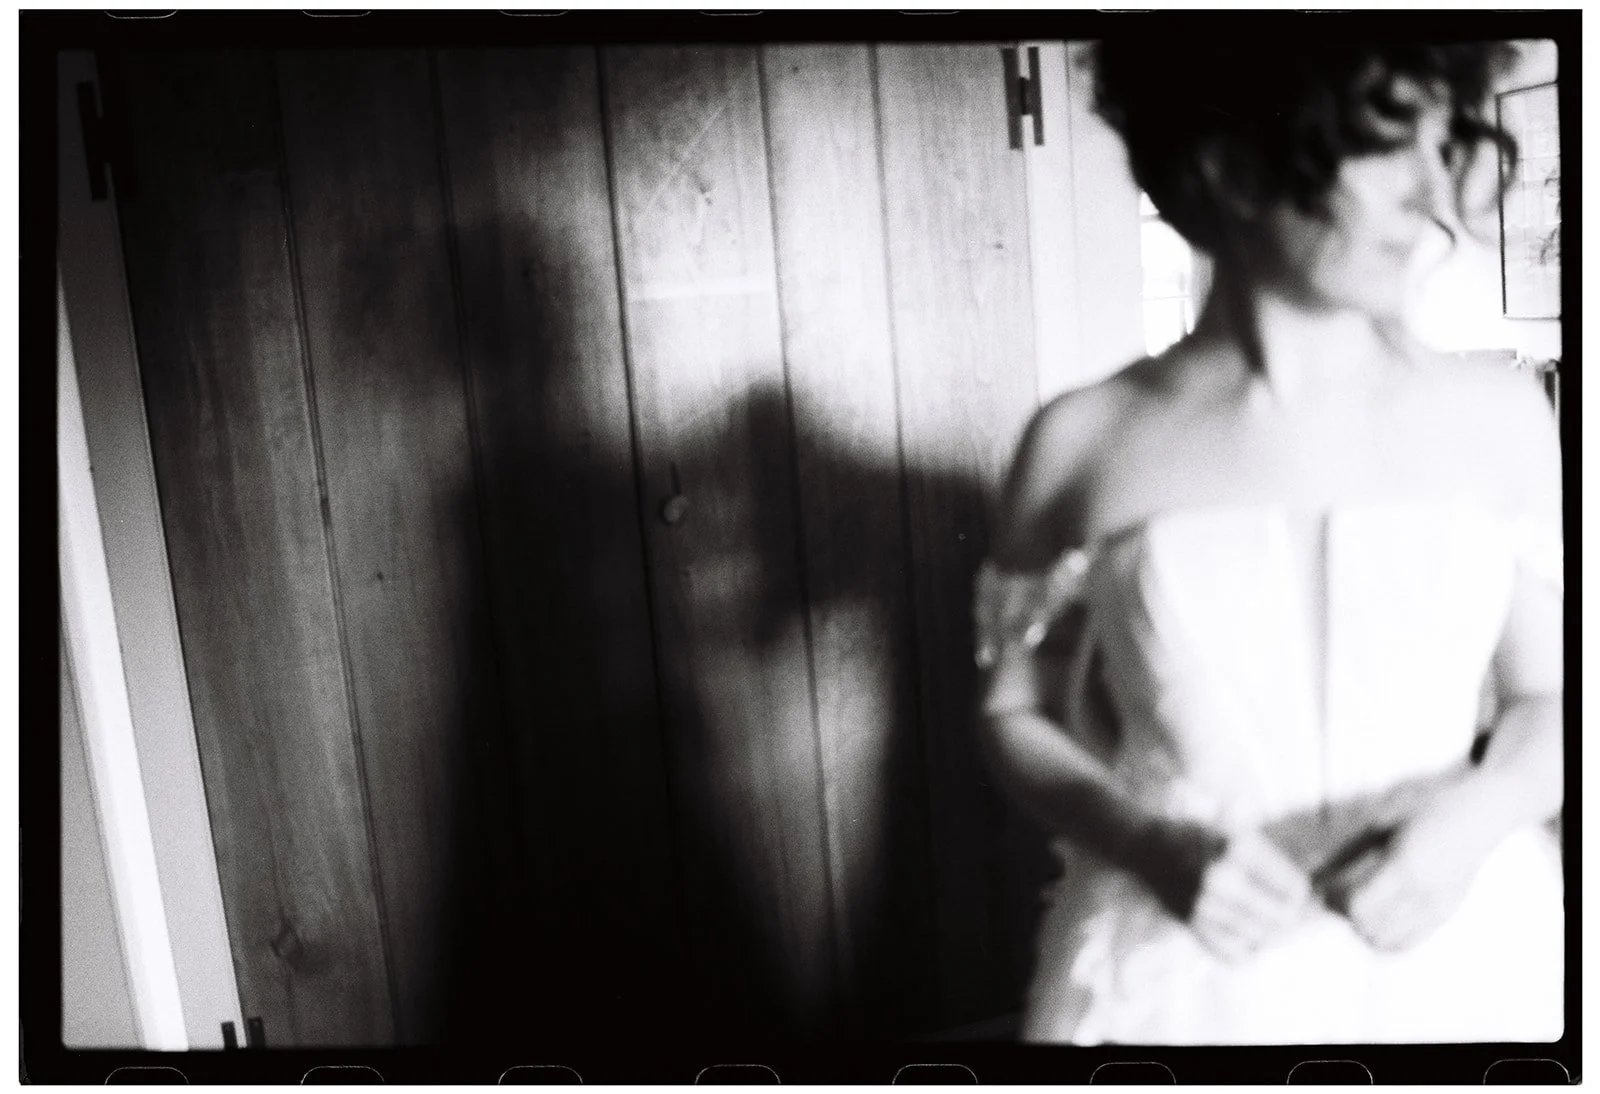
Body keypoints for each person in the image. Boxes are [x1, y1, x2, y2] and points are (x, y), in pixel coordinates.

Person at [974, 40, 1564, 1044]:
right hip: (1172, 977)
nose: (1427, 186)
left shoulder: (1500, 415)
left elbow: (1555, 694)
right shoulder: (1082, 439)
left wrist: (1477, 815)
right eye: (1382, 145)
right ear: (1230, 168)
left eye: (1436, 137)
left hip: (1461, 948)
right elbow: (1016, 709)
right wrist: (1149, 842)